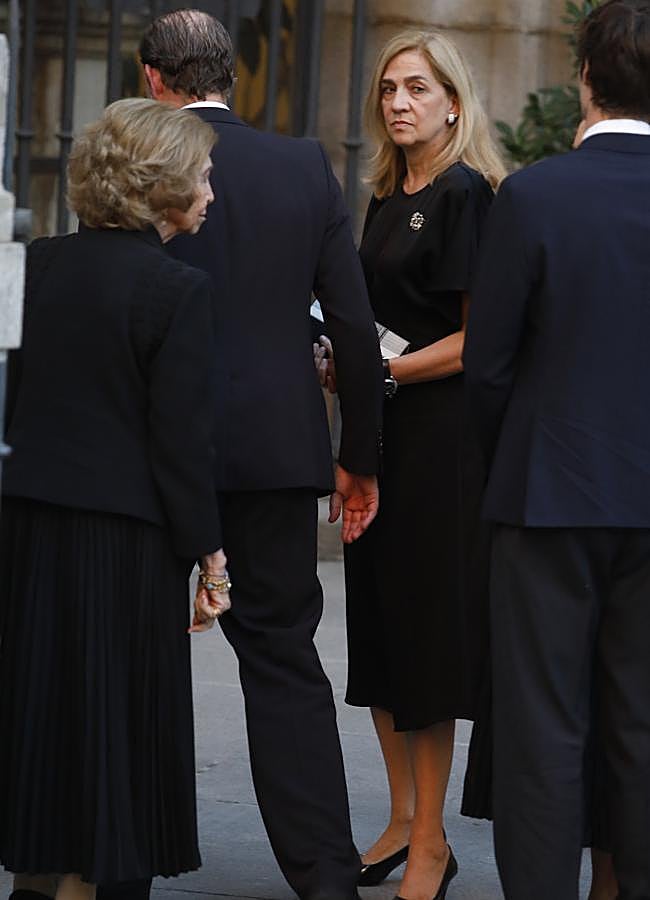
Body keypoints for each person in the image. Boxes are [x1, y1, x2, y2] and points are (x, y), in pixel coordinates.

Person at [138, 10, 383, 900]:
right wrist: (359, 454)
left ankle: (115, 855)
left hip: (149, 450)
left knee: (132, 652)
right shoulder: (300, 165)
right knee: (284, 661)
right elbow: (352, 325)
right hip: (277, 450)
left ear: (155, 80)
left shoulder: (137, 160)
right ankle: (325, 875)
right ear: (232, 75)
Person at [0, 98, 229, 900]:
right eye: (203, 175)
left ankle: (41, 877)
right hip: (125, 540)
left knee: (44, 712)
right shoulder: (176, 291)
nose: (210, 190)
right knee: (114, 722)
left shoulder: (40, 264)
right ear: (162, 186)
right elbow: (180, 444)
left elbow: (14, 398)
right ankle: (95, 884)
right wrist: (210, 555)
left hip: (28, 524)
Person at [463, 0, 650, 897]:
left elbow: (488, 367)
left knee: (541, 730)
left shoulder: (534, 194)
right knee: (643, 724)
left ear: (584, 77)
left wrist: (511, 464)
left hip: (546, 493)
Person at [315, 29, 505, 900]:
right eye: (389, 87)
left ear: (454, 102)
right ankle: (398, 817)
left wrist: (381, 368)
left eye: (418, 88)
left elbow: (479, 339)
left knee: (426, 649)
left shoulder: (465, 193)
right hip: (380, 434)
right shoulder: (389, 196)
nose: (398, 102)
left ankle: (431, 840)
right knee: (382, 638)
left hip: (438, 445)